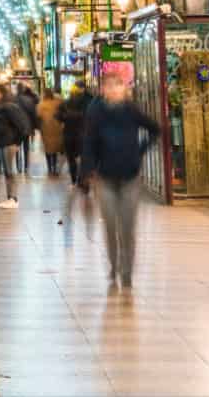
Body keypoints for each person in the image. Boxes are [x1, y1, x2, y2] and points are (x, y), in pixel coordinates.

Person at [80, 74, 160, 290]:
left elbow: (155, 129)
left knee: (127, 226)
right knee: (110, 225)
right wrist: (86, 173)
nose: (114, 90)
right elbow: (88, 142)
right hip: (105, 177)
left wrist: (139, 151)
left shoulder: (132, 111)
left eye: (118, 85)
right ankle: (113, 265)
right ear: (103, 90)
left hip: (130, 177)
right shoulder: (96, 112)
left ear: (124, 89)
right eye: (109, 86)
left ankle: (127, 272)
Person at [0, 84, 31, 208]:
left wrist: (17, 142)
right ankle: (5, 197)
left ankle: (13, 198)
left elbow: (23, 126)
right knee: (1, 170)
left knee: (9, 171)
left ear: (0, 93)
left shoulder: (8, 107)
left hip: (8, 143)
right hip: (0, 143)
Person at [58, 82, 92, 184]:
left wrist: (67, 116)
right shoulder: (89, 100)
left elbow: (58, 116)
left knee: (71, 158)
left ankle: (75, 179)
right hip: (82, 133)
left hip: (70, 133)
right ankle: (82, 179)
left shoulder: (66, 102)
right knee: (82, 157)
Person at [37, 88, 65, 177]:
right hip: (57, 128)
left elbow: (38, 115)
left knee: (48, 149)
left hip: (45, 128)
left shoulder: (41, 104)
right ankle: (55, 167)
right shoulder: (58, 102)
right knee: (55, 148)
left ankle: (49, 168)